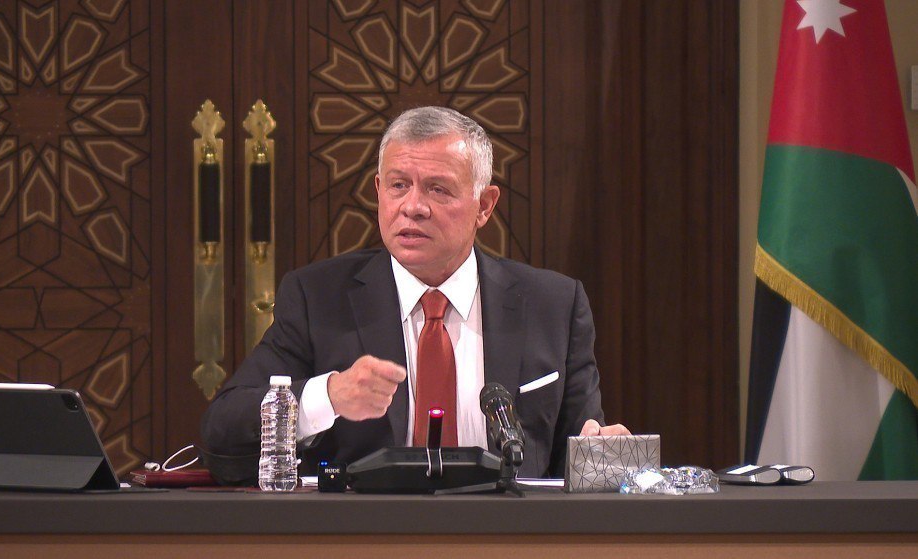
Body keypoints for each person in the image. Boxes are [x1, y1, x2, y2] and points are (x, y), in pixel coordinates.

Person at [201, 106, 628, 481]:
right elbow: (221, 433)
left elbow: (581, 452)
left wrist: (603, 452)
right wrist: (326, 397)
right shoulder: (319, 298)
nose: (412, 207)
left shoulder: (553, 304)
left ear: (484, 205)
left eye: (438, 189)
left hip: (506, 533)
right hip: (363, 535)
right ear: (378, 191)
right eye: (398, 185)